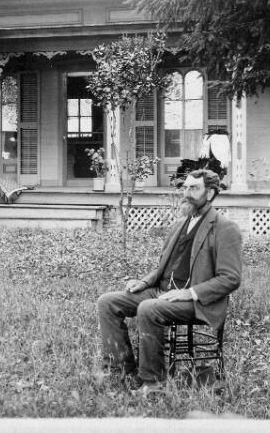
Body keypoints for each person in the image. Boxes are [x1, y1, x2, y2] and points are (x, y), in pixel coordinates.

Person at [97, 169, 242, 395]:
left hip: (197, 302)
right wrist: (144, 282)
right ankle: (121, 370)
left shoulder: (224, 228)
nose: (187, 193)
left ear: (210, 194)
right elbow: (165, 265)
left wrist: (189, 292)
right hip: (163, 292)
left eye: (194, 188)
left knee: (148, 308)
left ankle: (153, 383)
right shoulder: (179, 224)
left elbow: (231, 278)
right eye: (185, 187)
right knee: (107, 302)